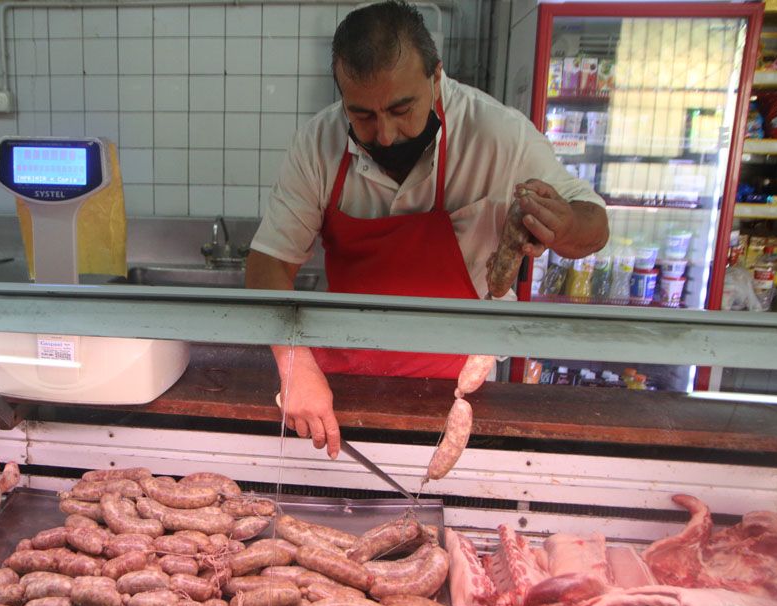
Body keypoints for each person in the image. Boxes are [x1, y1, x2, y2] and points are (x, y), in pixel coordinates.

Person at [245, 0, 608, 458]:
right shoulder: (318, 144)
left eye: (401, 109)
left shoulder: (497, 134)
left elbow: (594, 225)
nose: (386, 135)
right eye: (363, 116)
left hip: (461, 392)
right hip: (346, 388)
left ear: (436, 78)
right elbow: (267, 265)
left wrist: (566, 223)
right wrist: (294, 364)